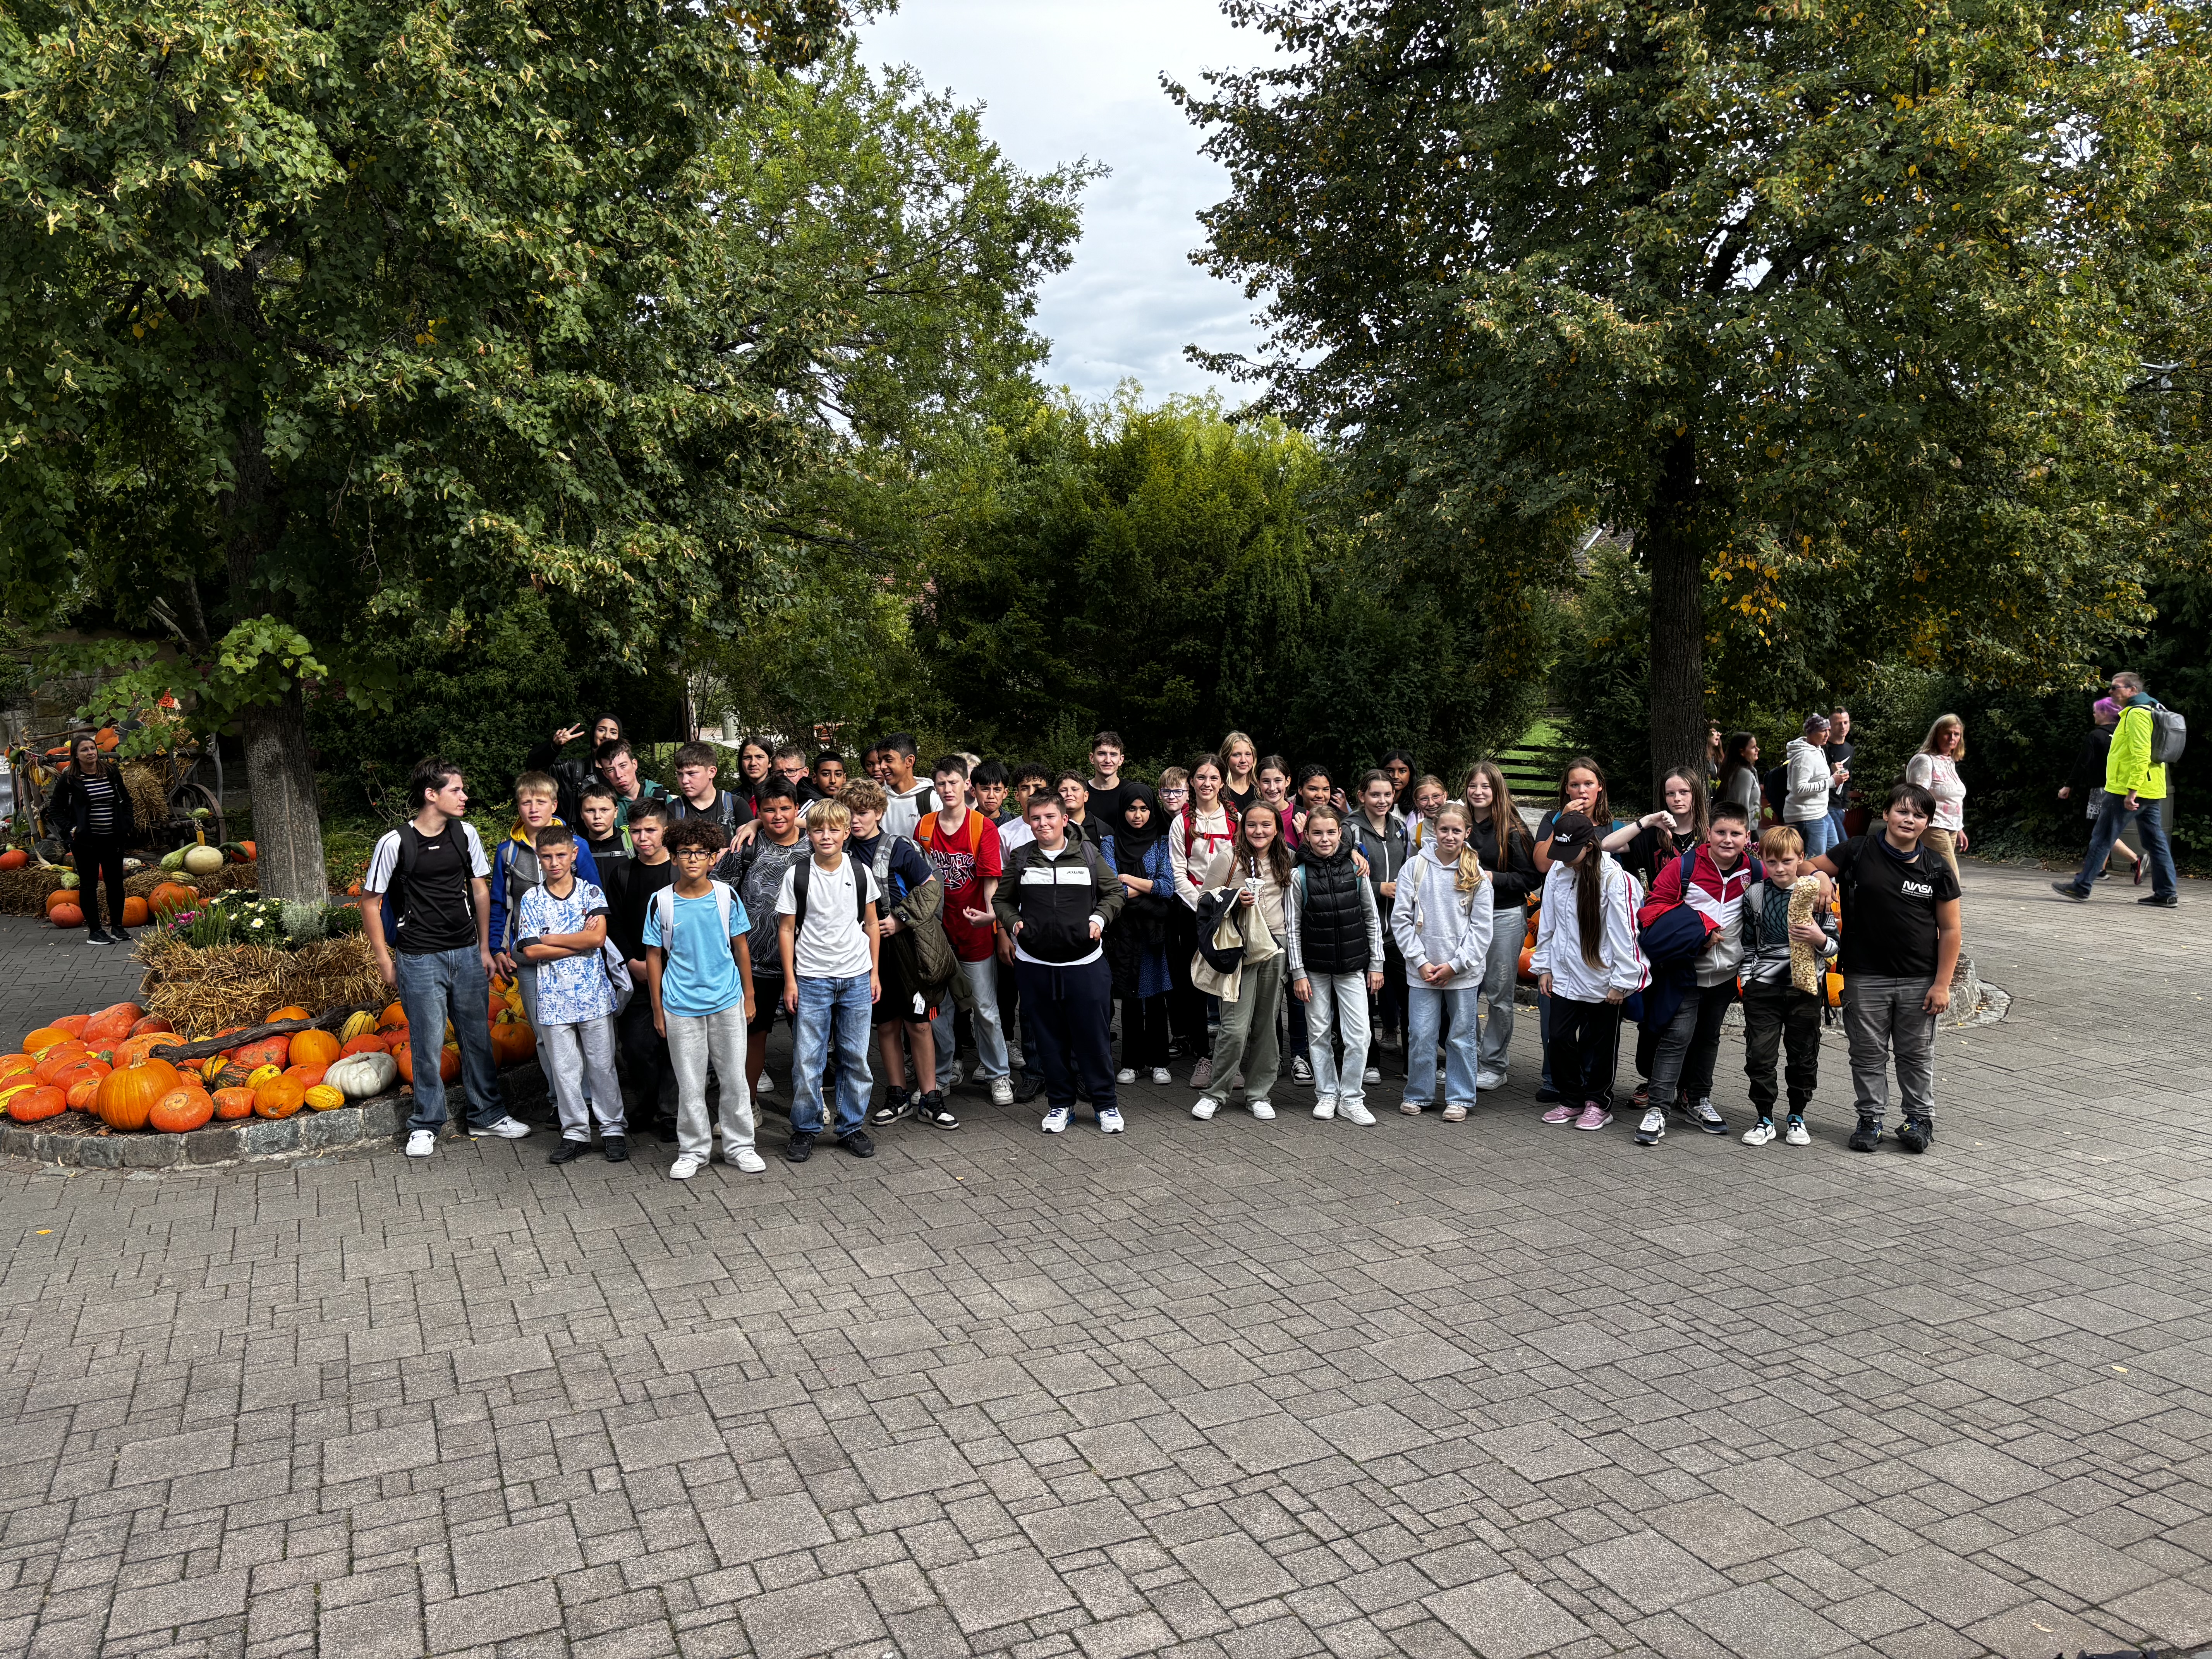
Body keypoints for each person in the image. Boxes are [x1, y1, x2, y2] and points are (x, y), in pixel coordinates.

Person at [362, 759, 526, 1154]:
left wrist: (484, 948)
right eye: (456, 790)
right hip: (418, 959)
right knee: (427, 1043)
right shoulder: (395, 843)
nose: (465, 796)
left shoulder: (465, 834)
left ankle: (487, 1115)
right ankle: (425, 1124)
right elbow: (369, 903)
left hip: (467, 952)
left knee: (477, 1038)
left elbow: (480, 890)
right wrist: (385, 961)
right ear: (431, 794)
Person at [1812, 782, 1963, 1152]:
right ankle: (1871, 1120)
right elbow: (1806, 865)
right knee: (1867, 1054)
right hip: (1864, 977)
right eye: (1902, 811)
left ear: (1927, 823)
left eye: (1918, 815)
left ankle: (1919, 1120)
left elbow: (1951, 930)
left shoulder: (1936, 868)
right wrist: (1820, 876)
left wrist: (1942, 984)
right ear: (1886, 814)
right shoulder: (1857, 850)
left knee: (1916, 1055)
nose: (1909, 819)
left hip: (1919, 980)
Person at [994, 794, 1125, 1133]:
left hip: (1085, 963)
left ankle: (1105, 1105)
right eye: (1036, 818)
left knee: (1093, 1038)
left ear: (1065, 820)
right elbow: (1002, 900)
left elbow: (1115, 893)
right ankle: (1060, 1105)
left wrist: (1099, 918)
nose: (1043, 824)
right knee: (1048, 1040)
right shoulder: (1022, 858)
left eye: (1050, 817)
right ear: (1029, 822)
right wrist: (1013, 922)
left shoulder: (1087, 853)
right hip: (1035, 964)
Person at [1633, 801, 1760, 1146]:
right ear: (1708, 833)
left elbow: (1788, 876)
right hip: (1685, 972)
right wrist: (1700, 929)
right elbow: (1652, 910)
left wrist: (1819, 877)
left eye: (1736, 834)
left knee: (1708, 1038)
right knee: (1676, 1038)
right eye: (1721, 832)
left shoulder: (1754, 870)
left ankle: (1697, 1099)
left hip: (1725, 975)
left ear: (1747, 836)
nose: (1728, 840)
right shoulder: (1684, 866)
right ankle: (1658, 1108)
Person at [641, 819, 762, 1180]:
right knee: (691, 1083)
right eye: (685, 853)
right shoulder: (661, 902)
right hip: (680, 1005)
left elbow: (741, 948)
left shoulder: (727, 897)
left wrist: (749, 996)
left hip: (727, 1000)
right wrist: (658, 1009)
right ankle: (693, 1151)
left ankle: (741, 1146)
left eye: (701, 853)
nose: (693, 859)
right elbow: (653, 957)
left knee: (734, 1079)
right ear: (673, 858)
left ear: (712, 858)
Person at [776, 799, 881, 1163]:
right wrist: (790, 980)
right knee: (808, 1060)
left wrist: (874, 972)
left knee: (856, 1057)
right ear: (809, 833)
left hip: (856, 976)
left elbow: (872, 924)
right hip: (812, 978)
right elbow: (786, 929)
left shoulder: (861, 872)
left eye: (834, 830)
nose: (826, 836)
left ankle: (851, 1126)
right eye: (818, 829)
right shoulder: (797, 875)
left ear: (846, 832)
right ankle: (806, 1128)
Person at [845, 781, 953, 1130]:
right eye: (850, 813)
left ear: (879, 813)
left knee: (919, 1023)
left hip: (905, 946)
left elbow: (931, 887)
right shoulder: (840, 850)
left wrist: (900, 919)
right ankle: (897, 1094)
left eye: (863, 813)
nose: (855, 820)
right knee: (887, 1023)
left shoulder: (899, 847)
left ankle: (931, 1096)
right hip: (863, 949)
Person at [515, 824, 625, 1165]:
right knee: (565, 1070)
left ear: (574, 854)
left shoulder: (590, 893)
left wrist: (549, 939)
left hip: (593, 996)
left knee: (602, 1066)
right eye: (547, 857)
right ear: (539, 858)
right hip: (552, 999)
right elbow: (529, 951)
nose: (554, 863)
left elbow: (597, 939)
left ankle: (613, 1129)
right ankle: (576, 1133)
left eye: (561, 855)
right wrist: (577, 941)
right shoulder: (532, 899)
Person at [1530, 812, 1645, 1130]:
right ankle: (1571, 1099)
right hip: (1565, 973)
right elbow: (1547, 923)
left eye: (1571, 853)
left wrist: (1623, 981)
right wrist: (1544, 967)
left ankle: (1598, 1102)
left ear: (1590, 847)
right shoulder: (1558, 871)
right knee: (1559, 1037)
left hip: (1603, 977)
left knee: (1600, 1044)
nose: (1564, 860)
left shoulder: (1615, 879)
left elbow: (1626, 934)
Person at [1604, 764, 1709, 1109]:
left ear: (1696, 794)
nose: (1677, 799)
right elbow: (1606, 845)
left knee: (1691, 1020)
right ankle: (1652, 1078)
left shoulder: (1709, 838)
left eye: (1684, 792)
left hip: (1697, 934)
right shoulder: (1652, 836)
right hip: (1657, 935)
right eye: (1670, 793)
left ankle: (1686, 1087)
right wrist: (1647, 821)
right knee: (1654, 1015)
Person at [917, 756, 1014, 1108]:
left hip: (973, 932)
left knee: (984, 1007)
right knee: (940, 1009)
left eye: (954, 783)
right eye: (941, 784)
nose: (948, 789)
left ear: (966, 785)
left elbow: (990, 880)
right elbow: (919, 879)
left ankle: (999, 1074)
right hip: (936, 934)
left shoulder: (981, 827)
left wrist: (992, 918)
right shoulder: (926, 827)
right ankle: (942, 1074)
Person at [1192, 802, 1297, 1122]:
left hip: (1276, 947)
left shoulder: (1289, 857)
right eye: (1252, 825)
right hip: (1238, 949)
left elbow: (1327, 855)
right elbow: (1203, 900)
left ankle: (1259, 1094)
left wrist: (1355, 854)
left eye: (1266, 825)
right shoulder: (1229, 858)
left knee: (1267, 1026)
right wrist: (1235, 899)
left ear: (1277, 829)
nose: (1259, 831)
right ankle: (1215, 1093)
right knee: (1235, 1028)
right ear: (1242, 827)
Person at [1736, 825, 1839, 1148]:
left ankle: (1797, 1115)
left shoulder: (1817, 893)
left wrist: (1818, 938)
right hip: (1763, 989)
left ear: (1801, 859)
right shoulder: (1754, 894)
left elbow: (1834, 948)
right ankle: (1764, 1117)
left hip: (1805, 990)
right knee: (1759, 1057)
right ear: (1762, 861)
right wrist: (1747, 980)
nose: (1780, 869)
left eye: (1787, 861)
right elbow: (1749, 943)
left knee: (1804, 1057)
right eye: (1772, 862)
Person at [1390, 802, 1493, 1120]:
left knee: (1461, 1036)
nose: (1450, 836)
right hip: (1422, 970)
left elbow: (1482, 929)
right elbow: (1401, 920)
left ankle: (1460, 1096)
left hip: (1462, 973)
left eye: (1456, 831)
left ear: (1467, 833)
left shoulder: (1476, 874)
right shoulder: (1414, 867)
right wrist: (1420, 961)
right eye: (1444, 829)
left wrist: (1456, 965)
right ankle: (1419, 1093)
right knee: (1421, 1034)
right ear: (1434, 830)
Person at [1286, 804, 1385, 1125]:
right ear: (1306, 836)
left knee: (1360, 1035)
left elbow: (1371, 918)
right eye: (1317, 833)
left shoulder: (1356, 870)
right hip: (1314, 969)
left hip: (1352, 967)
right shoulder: (1299, 876)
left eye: (1331, 832)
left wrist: (1377, 963)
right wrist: (1298, 972)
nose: (1325, 839)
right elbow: (1293, 928)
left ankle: (1352, 1097)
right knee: (1319, 1033)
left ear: (1341, 833)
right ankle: (1327, 1093)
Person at [715, 776, 808, 1106]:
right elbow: (719, 897)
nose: (778, 816)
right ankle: (748, 1105)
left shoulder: (816, 845)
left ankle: (810, 1104)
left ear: (797, 809)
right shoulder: (746, 847)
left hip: (806, 961)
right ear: (760, 812)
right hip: (755, 962)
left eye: (785, 808)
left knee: (810, 1037)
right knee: (754, 1035)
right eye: (769, 810)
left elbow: (838, 824)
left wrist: (754, 822)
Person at [2055, 671, 2181, 907]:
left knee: (2102, 837)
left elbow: (2141, 754)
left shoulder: (2137, 714)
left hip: (2129, 789)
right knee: (2155, 842)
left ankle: (2081, 887)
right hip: (2150, 788)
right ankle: (2166, 893)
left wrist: (2132, 790)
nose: (2111, 691)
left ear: (2132, 690)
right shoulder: (2149, 709)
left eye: (2116, 687)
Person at [489, 772, 603, 1029]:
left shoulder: (576, 846)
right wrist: (497, 948)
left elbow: (595, 897)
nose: (533, 809)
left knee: (583, 1025)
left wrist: (589, 940)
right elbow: (500, 904)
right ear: (519, 807)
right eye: (526, 803)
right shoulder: (507, 852)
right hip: (529, 955)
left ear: (554, 805)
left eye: (541, 802)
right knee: (543, 1031)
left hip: (576, 952)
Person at [1532, 758, 1614, 1104]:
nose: (1582, 791)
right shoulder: (1553, 820)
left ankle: (1591, 1089)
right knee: (1556, 1021)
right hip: (1559, 934)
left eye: (1588, 784)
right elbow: (1543, 863)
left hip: (1597, 940)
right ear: (1566, 789)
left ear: (1600, 787)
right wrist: (1562, 822)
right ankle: (1557, 1080)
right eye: (1575, 785)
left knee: (1596, 1026)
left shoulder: (1612, 826)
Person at [1464, 761, 1537, 1092]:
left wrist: (1492, 878)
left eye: (1486, 787)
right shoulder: (1460, 822)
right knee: (1464, 992)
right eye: (1473, 786)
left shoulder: (1513, 829)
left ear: (1498, 790)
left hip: (1503, 916)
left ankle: (1494, 1064)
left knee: (1498, 995)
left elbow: (1531, 879)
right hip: (1464, 918)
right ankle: (1469, 1059)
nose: (1478, 792)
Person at [610, 802, 677, 1140]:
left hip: (677, 974)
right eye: (636, 831)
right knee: (637, 1046)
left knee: (674, 1044)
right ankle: (648, 1101)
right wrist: (630, 961)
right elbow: (613, 922)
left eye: (651, 830)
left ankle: (671, 1112)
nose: (643, 838)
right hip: (637, 973)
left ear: (666, 831)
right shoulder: (623, 873)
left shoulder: (679, 871)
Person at [1103, 785, 1178, 1087]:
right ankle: (1131, 1063)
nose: (1138, 815)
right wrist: (1144, 885)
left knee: (1156, 996)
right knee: (1131, 997)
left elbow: (1167, 887)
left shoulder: (1162, 843)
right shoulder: (1110, 843)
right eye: (1132, 809)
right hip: (1123, 932)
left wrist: (1128, 879)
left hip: (1154, 932)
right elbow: (1111, 888)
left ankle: (1159, 1061)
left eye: (1144, 809)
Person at [1348, 769, 1412, 1068]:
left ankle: (1414, 1063)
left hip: (1397, 932)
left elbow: (1408, 869)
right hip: (1361, 932)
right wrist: (1379, 889)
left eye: (1388, 794)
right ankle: (1369, 1062)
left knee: (1411, 997)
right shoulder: (1349, 829)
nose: (1383, 800)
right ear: (1362, 796)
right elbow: (1340, 876)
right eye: (1375, 794)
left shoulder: (1400, 828)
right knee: (1363, 1001)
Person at [48, 734, 136, 945]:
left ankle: (117, 927)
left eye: (92, 748)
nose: (90, 753)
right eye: (85, 750)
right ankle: (95, 932)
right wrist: (72, 829)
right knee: (89, 885)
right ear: (76, 755)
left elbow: (126, 800)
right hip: (85, 842)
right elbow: (55, 810)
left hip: (113, 838)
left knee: (115, 883)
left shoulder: (111, 773)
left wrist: (127, 823)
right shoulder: (69, 779)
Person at [2056, 697, 2142, 884]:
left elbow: (2082, 762)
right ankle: (2101, 870)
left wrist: (2068, 785)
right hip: (2122, 787)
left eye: (2096, 710)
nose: (2094, 714)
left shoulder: (2096, 736)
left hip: (2101, 789)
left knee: (2098, 829)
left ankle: (2135, 860)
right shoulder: (2123, 732)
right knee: (2105, 827)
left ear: (2105, 713)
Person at [526, 714, 625, 824]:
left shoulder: (626, 774)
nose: (607, 736)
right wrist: (554, 746)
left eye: (613, 732)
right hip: (575, 835)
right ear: (593, 734)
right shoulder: (573, 770)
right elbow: (535, 768)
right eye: (601, 730)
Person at [1905, 715, 1969, 879]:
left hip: (1951, 827)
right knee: (1951, 877)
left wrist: (1960, 829)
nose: (1952, 738)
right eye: (1948, 733)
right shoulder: (1925, 760)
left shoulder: (1949, 761)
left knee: (1936, 876)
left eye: (1957, 734)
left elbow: (1952, 799)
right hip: (1933, 826)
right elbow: (1917, 797)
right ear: (1936, 734)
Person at [1782, 714, 1837, 858]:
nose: (1827, 735)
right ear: (1810, 732)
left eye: (1829, 730)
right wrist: (1831, 782)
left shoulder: (1817, 749)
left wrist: (1835, 775)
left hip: (1822, 813)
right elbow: (1799, 789)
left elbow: (1817, 776)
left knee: (1835, 856)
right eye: (1823, 731)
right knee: (1814, 862)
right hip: (1808, 817)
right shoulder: (1804, 756)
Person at [670, 741, 754, 833]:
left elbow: (747, 841)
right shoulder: (671, 810)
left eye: (692, 774)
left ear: (712, 772)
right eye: (680, 774)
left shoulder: (736, 805)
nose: (684, 781)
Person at [576, 785, 632, 912]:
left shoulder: (631, 842)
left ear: (616, 812)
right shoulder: (575, 847)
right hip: (589, 919)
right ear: (581, 814)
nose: (597, 816)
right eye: (590, 811)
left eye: (604, 810)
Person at [597, 739, 672, 828]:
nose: (619, 775)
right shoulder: (605, 806)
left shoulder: (662, 799)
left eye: (623, 766)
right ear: (605, 774)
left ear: (634, 764)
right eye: (611, 770)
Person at [876, 733, 938, 839]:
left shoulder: (932, 800)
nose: (882, 767)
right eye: (880, 761)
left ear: (909, 761)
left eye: (889, 760)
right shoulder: (878, 799)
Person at [1086, 731, 1136, 830]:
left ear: (1121, 760)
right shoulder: (1079, 793)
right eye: (1102, 754)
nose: (1108, 760)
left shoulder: (1132, 792)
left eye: (1113, 755)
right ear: (1092, 758)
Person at [1825, 708, 1855, 849]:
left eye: (1846, 723)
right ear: (1830, 725)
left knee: (1831, 849)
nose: (1843, 727)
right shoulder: (1822, 747)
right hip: (1824, 806)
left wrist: (1845, 806)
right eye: (1838, 723)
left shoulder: (1849, 749)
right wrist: (1830, 769)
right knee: (1843, 846)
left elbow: (1849, 779)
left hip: (1839, 807)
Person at [1056, 771, 1108, 852]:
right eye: (1063, 790)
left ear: (1086, 796)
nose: (1069, 794)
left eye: (1075, 790)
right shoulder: (1050, 827)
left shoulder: (1104, 830)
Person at [1715, 732, 1761, 823]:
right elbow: (1741, 808)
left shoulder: (1744, 771)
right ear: (1742, 752)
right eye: (1753, 747)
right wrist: (1745, 830)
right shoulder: (1744, 775)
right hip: (1744, 827)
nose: (1758, 749)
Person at [1220, 732, 1261, 815]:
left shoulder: (1260, 792)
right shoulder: (1219, 792)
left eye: (1248, 754)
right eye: (1236, 755)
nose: (1243, 760)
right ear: (1226, 758)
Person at [732, 738, 776, 810]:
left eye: (759, 757)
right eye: (747, 758)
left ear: (770, 762)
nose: (753, 763)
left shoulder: (783, 792)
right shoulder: (733, 798)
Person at [1380, 750, 1416, 814]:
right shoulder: (1372, 807)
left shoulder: (1419, 808)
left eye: (1402, 771)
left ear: (1411, 774)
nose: (1396, 776)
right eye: (1390, 771)